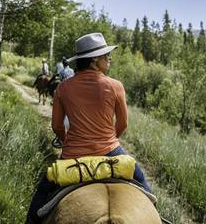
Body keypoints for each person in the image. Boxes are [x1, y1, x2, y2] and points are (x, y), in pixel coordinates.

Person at [26, 33, 151, 224]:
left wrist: (68, 142)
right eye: (105, 55)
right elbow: (123, 124)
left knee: (40, 197)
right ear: (94, 60)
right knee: (146, 189)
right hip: (111, 152)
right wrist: (108, 139)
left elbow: (57, 126)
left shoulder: (63, 88)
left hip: (72, 155)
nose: (109, 58)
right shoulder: (116, 86)